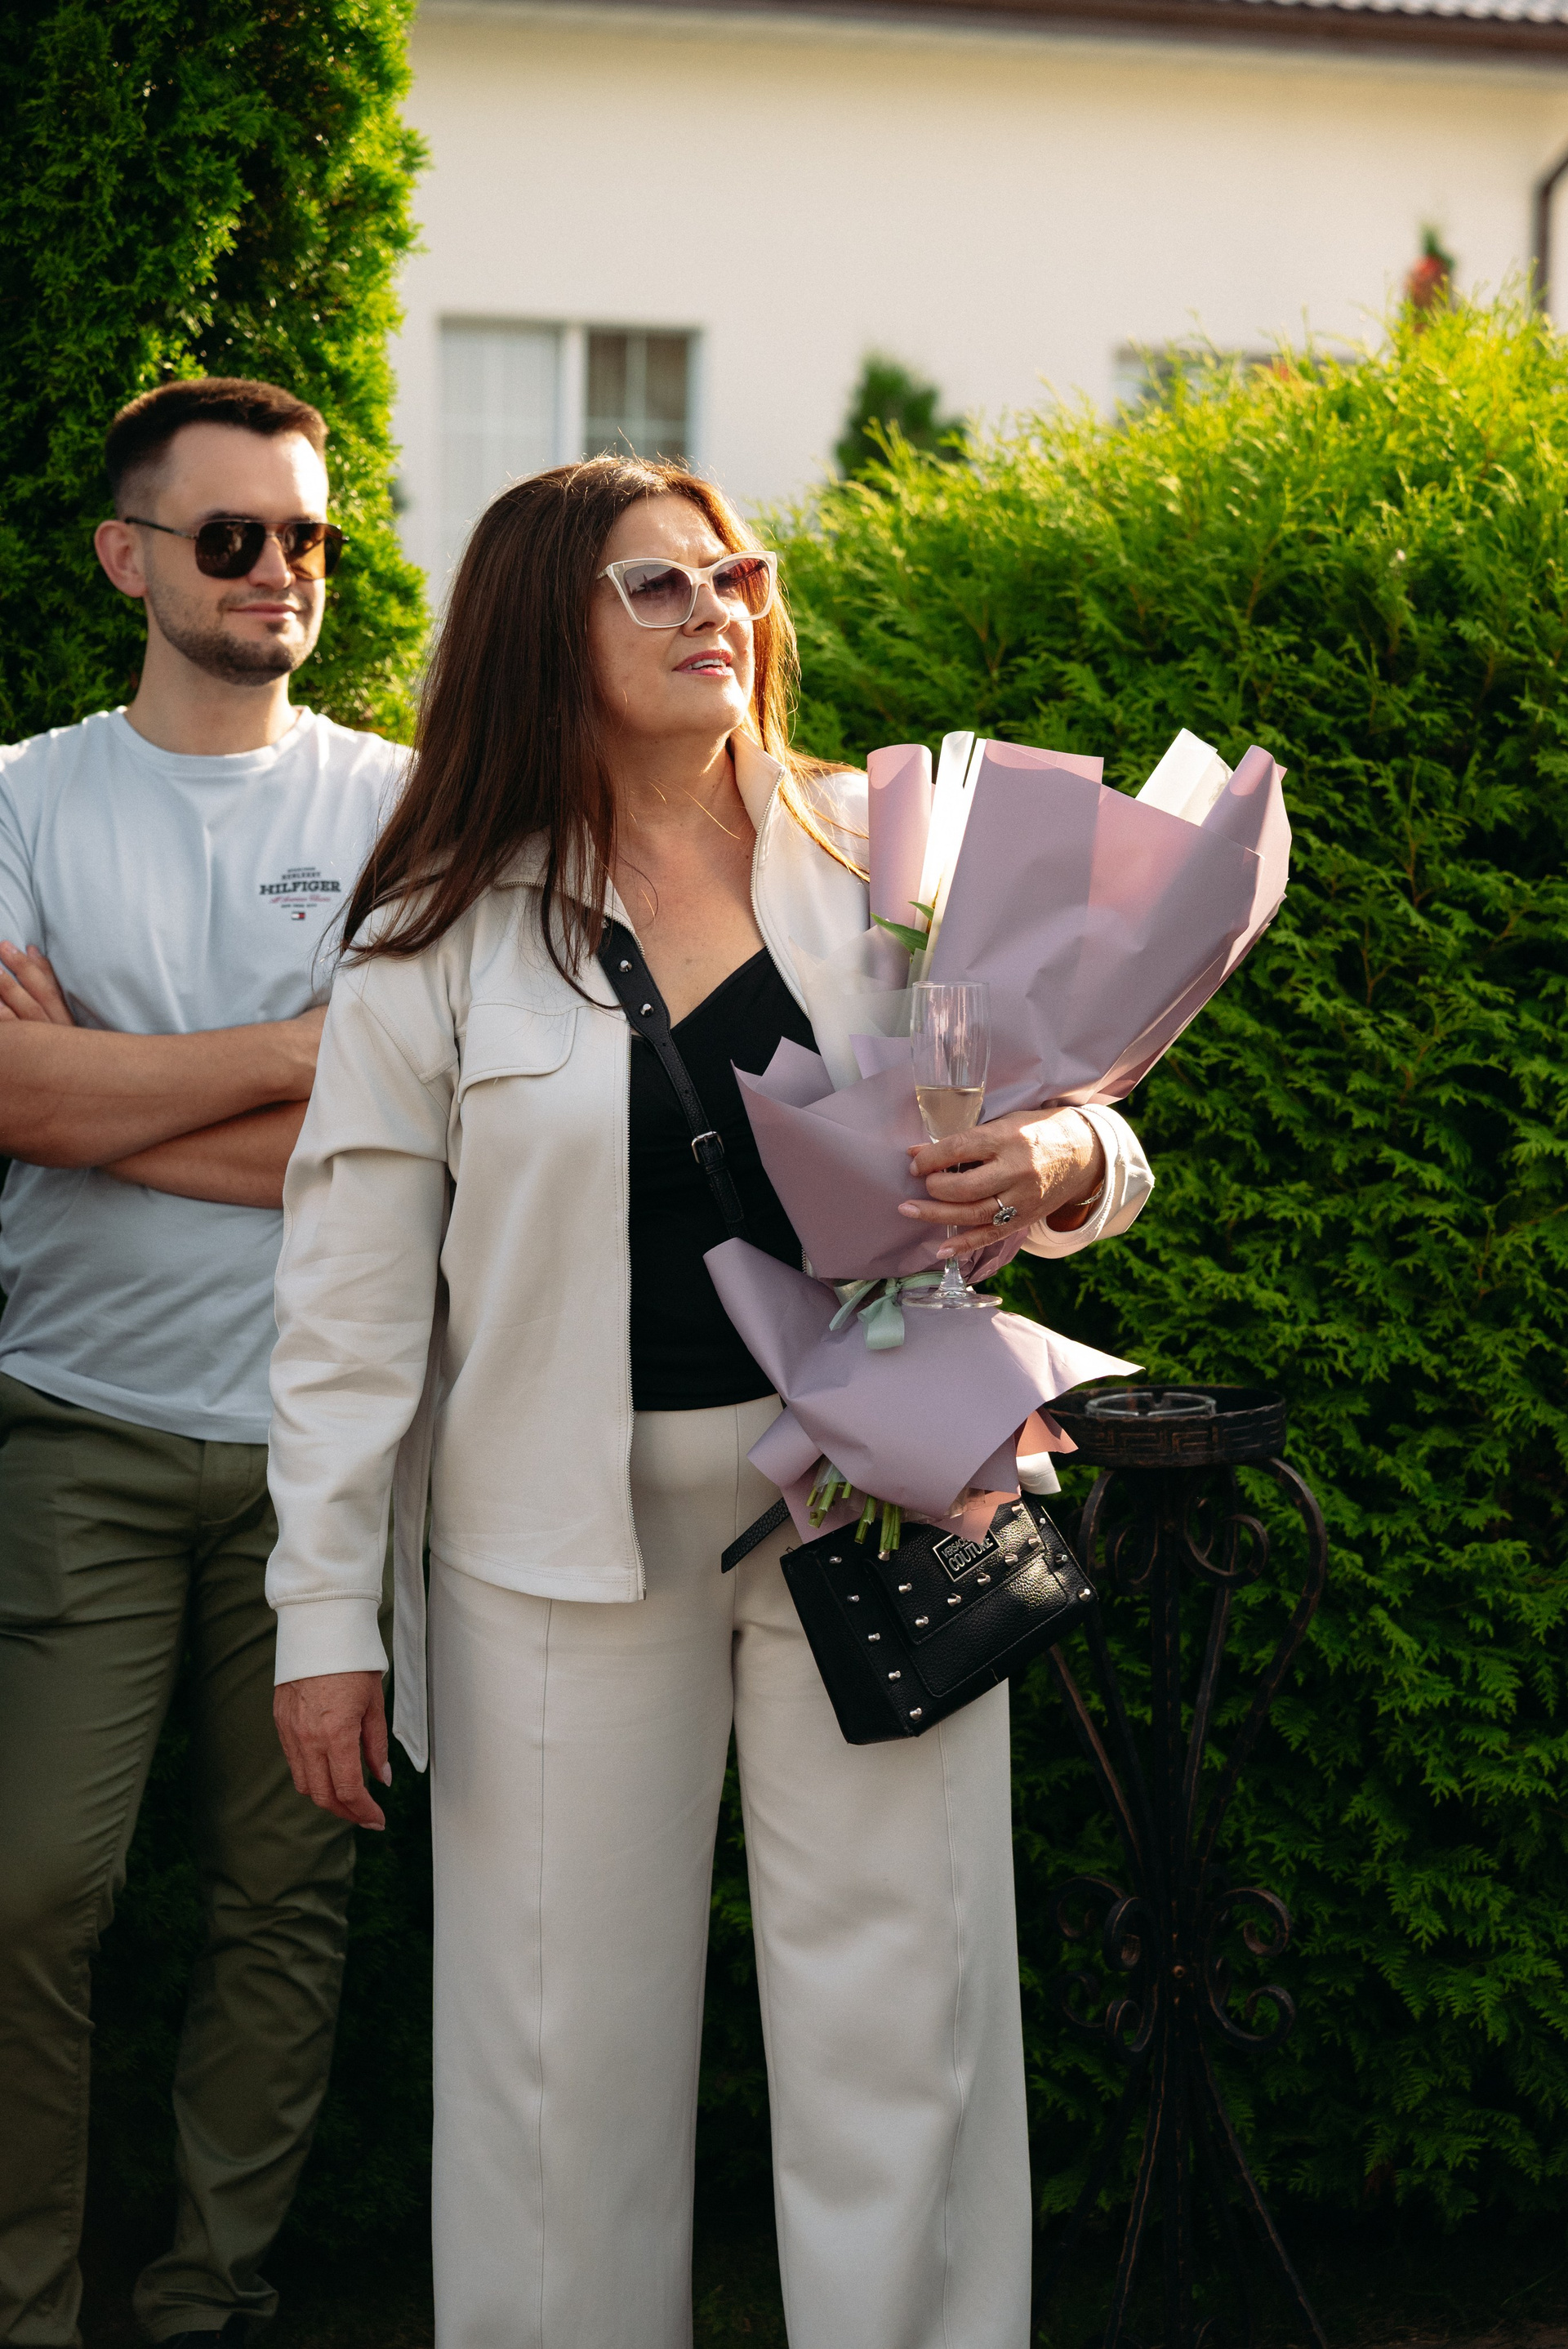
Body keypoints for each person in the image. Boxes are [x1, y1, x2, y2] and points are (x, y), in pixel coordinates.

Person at [266, 455, 1154, 2349]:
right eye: (657, 587)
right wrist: (323, 1614)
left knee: (909, 2014)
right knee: (552, 2058)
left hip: (883, 1496)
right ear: (542, 630)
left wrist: (1065, 1157)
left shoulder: (888, 857)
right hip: (547, 1547)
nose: (718, 612)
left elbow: (1092, 1112)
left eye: (733, 574)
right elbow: (348, 1306)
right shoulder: (438, 924)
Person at [0, 377, 403, 2349]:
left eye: (306, 536)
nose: (278, 571)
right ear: (127, 557)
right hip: (72, 1418)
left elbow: (407, 1131)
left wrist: (98, 1094)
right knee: (30, 1892)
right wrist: (290, 1057)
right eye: (232, 536)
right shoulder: (18, 795)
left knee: (285, 1896)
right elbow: (8, 1098)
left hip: (325, 1443)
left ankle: (208, 2301)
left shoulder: (398, 803)